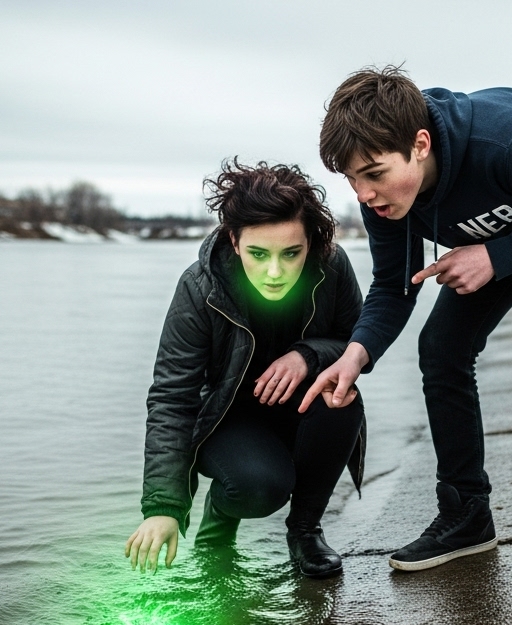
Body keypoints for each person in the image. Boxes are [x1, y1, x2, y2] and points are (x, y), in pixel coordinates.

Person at [302, 66, 512, 606]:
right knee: (440, 347)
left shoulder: (506, 139)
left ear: (419, 144)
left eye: (373, 173)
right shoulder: (386, 199)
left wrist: (496, 256)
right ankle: (466, 515)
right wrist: (355, 355)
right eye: (352, 180)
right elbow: (394, 287)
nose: (365, 194)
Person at [125, 160, 365, 579]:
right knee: (259, 487)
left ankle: (305, 532)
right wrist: (164, 508)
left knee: (343, 398)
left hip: (304, 407)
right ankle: (218, 524)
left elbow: (361, 345)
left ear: (311, 242)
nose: (275, 272)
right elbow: (172, 398)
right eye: (259, 254)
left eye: (291, 253)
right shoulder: (200, 288)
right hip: (227, 421)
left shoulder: (333, 266)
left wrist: (306, 355)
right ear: (234, 241)